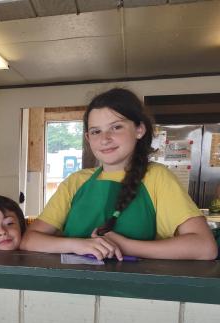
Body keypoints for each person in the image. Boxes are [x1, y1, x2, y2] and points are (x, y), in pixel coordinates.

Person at [21, 87, 217, 260]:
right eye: (96, 131)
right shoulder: (75, 182)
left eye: (116, 127)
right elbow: (30, 240)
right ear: (88, 138)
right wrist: (78, 245)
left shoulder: (157, 177)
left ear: (139, 129)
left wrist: (126, 246)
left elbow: (204, 247)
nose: (105, 139)